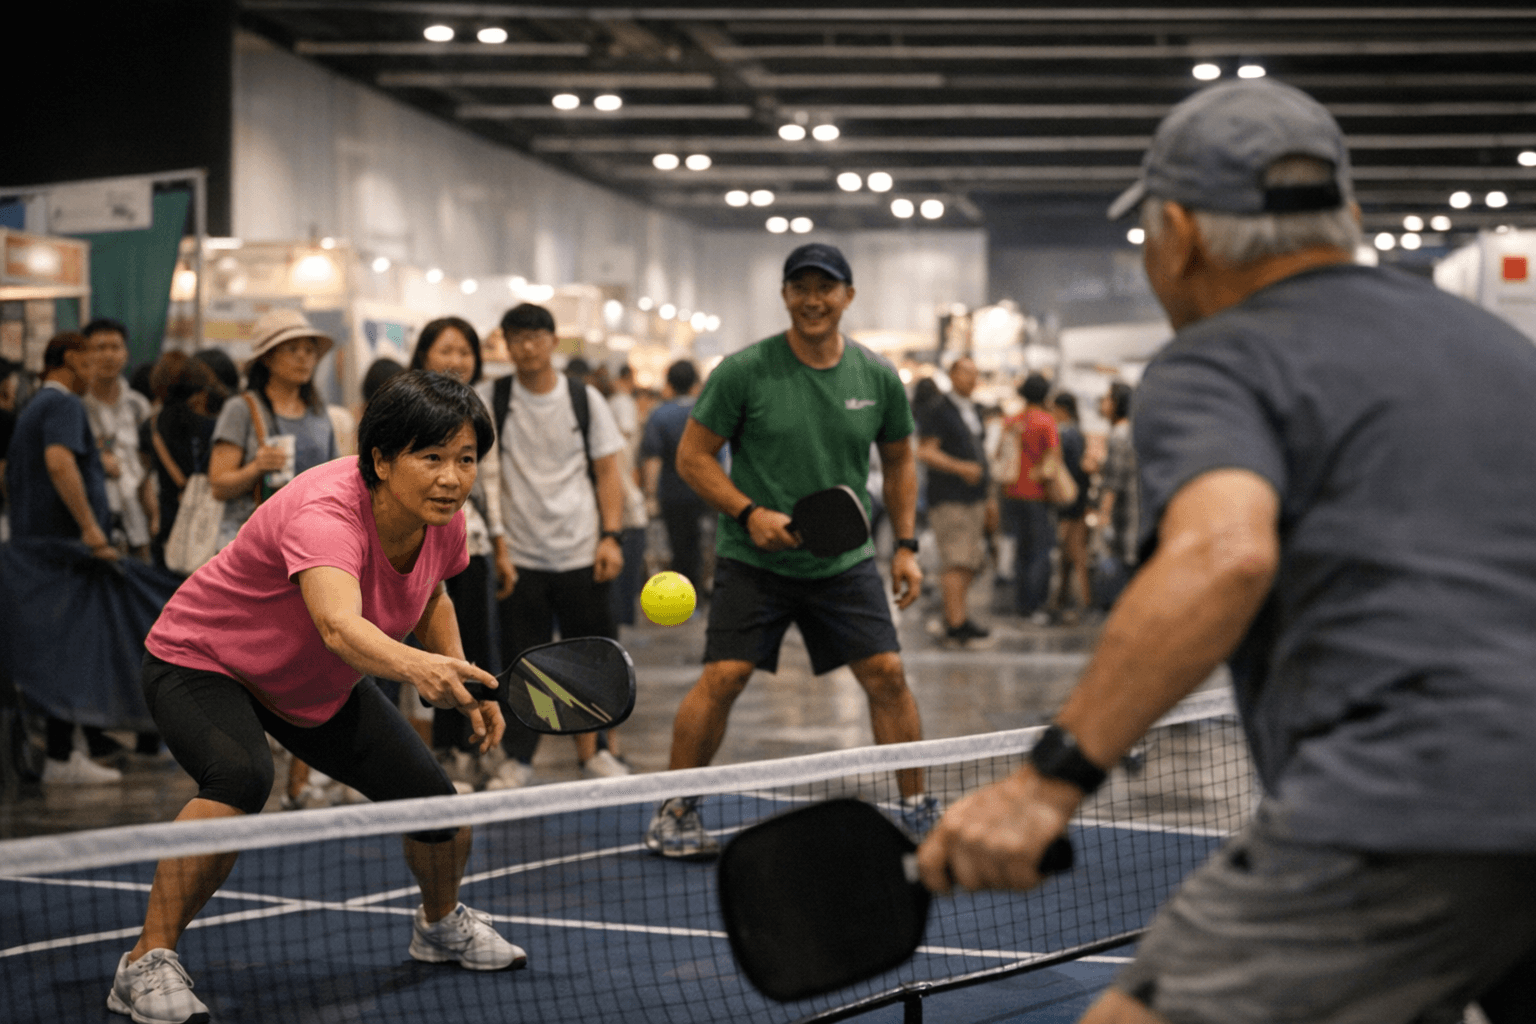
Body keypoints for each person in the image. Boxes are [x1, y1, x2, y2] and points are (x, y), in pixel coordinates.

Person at [916, 80, 1536, 1023]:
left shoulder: (1221, 357)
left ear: (1179, 234)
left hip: (1413, 796)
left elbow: (1224, 555)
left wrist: (1044, 785)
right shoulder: (1497, 348)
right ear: (1347, 213)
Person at [109, 371, 523, 1024]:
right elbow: (337, 625)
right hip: (204, 660)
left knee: (436, 805)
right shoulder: (326, 512)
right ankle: (144, 961)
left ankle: (440, 924)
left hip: (309, 685)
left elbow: (432, 593)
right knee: (240, 777)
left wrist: (459, 672)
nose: (452, 477)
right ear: (380, 460)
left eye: (465, 459)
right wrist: (419, 669)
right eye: (431, 457)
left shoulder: (442, 517)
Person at [646, 242, 931, 861]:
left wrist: (906, 546)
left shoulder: (877, 376)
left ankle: (917, 810)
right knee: (724, 676)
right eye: (800, 288)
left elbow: (900, 460)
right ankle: (674, 813)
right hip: (755, 557)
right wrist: (749, 513)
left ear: (847, 296)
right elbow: (692, 458)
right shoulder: (744, 371)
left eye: (825, 288)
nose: (812, 300)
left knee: (887, 674)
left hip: (844, 560)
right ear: (784, 296)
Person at [492, 303, 630, 784]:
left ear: (553, 341)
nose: (527, 346)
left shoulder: (583, 399)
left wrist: (610, 537)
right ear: (506, 344)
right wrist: (500, 548)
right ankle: (518, 758)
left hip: (580, 550)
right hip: (521, 556)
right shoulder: (494, 398)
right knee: (521, 661)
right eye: (517, 338)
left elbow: (608, 472)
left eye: (536, 336)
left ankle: (595, 753)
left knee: (588, 658)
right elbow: (486, 475)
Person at [208, 308, 340, 807]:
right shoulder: (243, 409)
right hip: (253, 554)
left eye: (309, 349)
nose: (303, 358)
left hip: (311, 552)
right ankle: (246, 766)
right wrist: (255, 467)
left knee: (315, 659)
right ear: (267, 357)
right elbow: (219, 483)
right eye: (292, 349)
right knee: (248, 663)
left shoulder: (321, 414)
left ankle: (300, 780)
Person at [4, 332, 123, 784]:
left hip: (36, 549)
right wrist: (91, 529)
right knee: (67, 649)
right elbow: (59, 462)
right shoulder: (63, 404)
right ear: (71, 358)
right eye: (90, 357)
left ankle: (63, 753)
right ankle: (60, 756)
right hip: (62, 552)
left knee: (54, 648)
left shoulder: (34, 406)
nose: (96, 368)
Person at [410, 317, 515, 791]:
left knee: (476, 648)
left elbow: (490, 483)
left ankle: (478, 751)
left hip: (473, 546)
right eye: (446, 350)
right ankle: (441, 754)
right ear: (424, 355)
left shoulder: (479, 408)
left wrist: (501, 548)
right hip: (418, 545)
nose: (456, 361)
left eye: (464, 351)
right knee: (427, 654)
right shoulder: (408, 405)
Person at [915, 355, 995, 646]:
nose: (972, 379)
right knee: (956, 560)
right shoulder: (939, 409)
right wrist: (962, 468)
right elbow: (925, 451)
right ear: (952, 375)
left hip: (972, 497)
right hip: (950, 497)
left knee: (970, 561)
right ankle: (955, 622)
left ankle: (958, 616)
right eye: (965, 373)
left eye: (975, 373)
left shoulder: (972, 409)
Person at [140, 352, 229, 571]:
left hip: (168, 524)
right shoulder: (212, 426)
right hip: (206, 527)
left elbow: (143, 475)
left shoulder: (150, 426)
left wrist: (153, 517)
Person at [81, 318, 154, 561]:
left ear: (126, 354)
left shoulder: (138, 406)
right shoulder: (76, 405)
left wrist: (153, 515)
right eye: (100, 348)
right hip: (91, 522)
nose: (108, 355)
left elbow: (146, 466)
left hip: (136, 519)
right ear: (85, 354)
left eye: (115, 347)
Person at [640, 359, 711, 592]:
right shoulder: (706, 411)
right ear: (695, 383)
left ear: (669, 383)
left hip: (672, 493)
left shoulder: (659, 415)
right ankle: (699, 593)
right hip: (706, 491)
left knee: (677, 547)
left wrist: (650, 495)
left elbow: (653, 459)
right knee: (702, 545)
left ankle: (681, 597)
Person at [1000, 373, 1061, 623]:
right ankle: (1035, 606)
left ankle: (1021, 603)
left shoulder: (1012, 420)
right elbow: (1053, 459)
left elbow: (1000, 453)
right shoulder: (1046, 421)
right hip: (1037, 493)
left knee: (1021, 549)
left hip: (1011, 492)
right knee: (1040, 550)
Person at [1047, 392, 1092, 624]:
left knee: (1074, 553)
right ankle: (1062, 599)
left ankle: (1084, 603)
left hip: (1069, 502)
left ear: (1062, 409)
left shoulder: (1065, 434)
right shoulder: (1078, 432)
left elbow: (1067, 471)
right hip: (1078, 501)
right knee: (1069, 554)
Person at [1094, 381, 1138, 609]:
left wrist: (1103, 516)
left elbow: (1113, 482)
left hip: (1125, 515)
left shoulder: (1119, 435)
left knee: (1119, 568)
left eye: (1108, 398)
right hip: (1135, 512)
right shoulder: (1132, 431)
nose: (1103, 403)